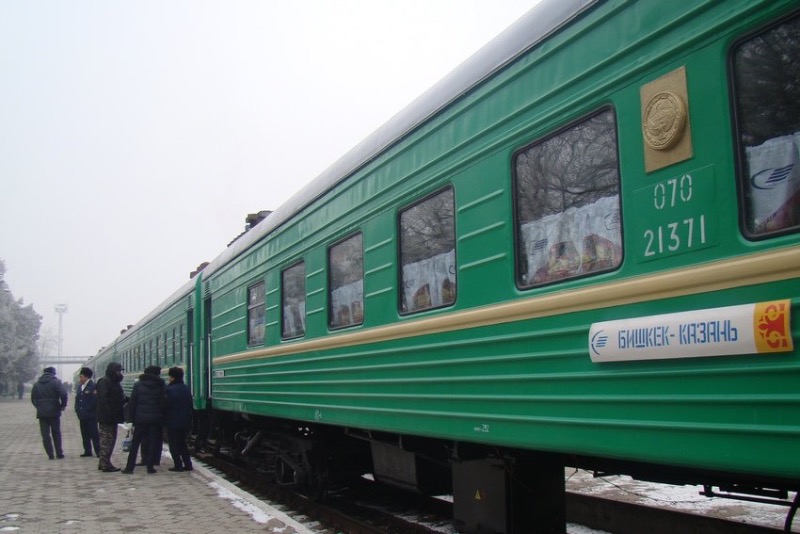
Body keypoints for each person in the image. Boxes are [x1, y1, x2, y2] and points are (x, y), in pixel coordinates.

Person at [122, 365, 165, 474]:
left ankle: (129, 468)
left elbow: (133, 402)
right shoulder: (160, 384)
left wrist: (130, 419)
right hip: (154, 419)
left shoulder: (138, 384)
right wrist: (160, 416)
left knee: (135, 443)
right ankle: (150, 467)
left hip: (140, 419)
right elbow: (163, 402)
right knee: (152, 442)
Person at [30, 367, 68, 460]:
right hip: (54, 411)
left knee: (45, 434)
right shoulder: (56, 382)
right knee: (56, 432)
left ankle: (50, 454)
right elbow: (63, 394)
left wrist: (39, 406)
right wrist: (63, 405)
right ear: (53, 373)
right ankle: (59, 453)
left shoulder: (36, 384)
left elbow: (33, 398)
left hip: (42, 413)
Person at [96, 362, 126, 472]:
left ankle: (104, 463)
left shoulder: (114, 382)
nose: (120, 373)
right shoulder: (104, 382)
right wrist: (109, 414)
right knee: (106, 442)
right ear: (113, 371)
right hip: (107, 418)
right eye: (118, 371)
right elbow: (104, 401)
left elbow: (118, 398)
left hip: (113, 417)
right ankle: (105, 464)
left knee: (111, 441)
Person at [164, 367, 193, 472]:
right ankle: (188, 464)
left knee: (173, 444)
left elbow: (166, 405)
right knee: (182, 444)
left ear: (172, 377)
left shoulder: (169, 390)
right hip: (185, 420)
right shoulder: (186, 389)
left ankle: (178, 465)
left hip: (172, 421)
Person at [74, 367, 101, 457]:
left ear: (86, 377)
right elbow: (77, 400)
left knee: (94, 434)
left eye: (81, 377)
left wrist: (86, 410)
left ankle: (98, 451)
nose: (80, 379)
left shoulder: (93, 386)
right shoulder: (80, 387)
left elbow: (94, 401)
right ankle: (87, 451)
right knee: (84, 434)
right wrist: (77, 410)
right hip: (82, 415)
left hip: (91, 415)